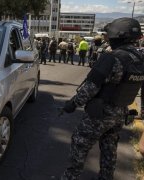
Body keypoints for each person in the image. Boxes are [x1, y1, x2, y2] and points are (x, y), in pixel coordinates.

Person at [61, 17, 144, 180]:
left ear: (117, 35)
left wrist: (73, 104)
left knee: (79, 143)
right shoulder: (140, 59)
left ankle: (70, 177)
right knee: (109, 147)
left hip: (100, 113)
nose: (107, 37)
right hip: (120, 112)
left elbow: (91, 87)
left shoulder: (113, 58)